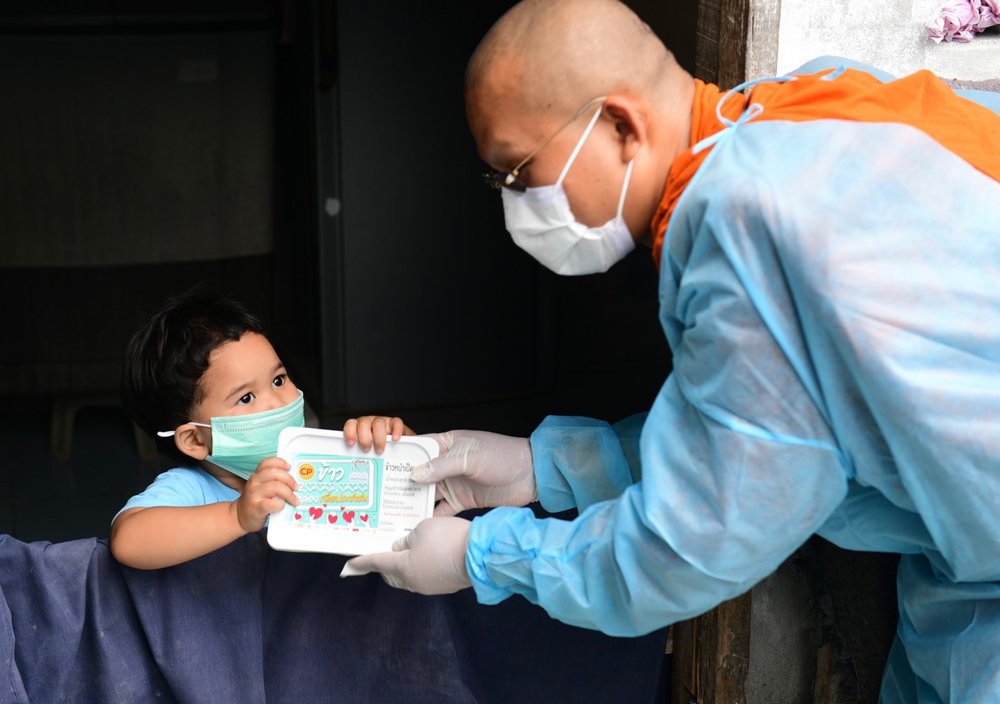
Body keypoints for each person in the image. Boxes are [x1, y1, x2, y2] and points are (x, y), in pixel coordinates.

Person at [341, 0, 1000, 701]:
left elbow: (685, 547)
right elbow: (764, 429)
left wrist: (483, 556)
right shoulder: (807, 102)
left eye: (519, 172)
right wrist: (537, 469)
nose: (516, 203)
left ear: (621, 125)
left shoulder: (742, 235)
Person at [112, 289, 411, 570]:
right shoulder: (192, 490)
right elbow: (128, 542)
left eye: (279, 380)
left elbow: (419, 489)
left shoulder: (332, 461)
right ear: (194, 439)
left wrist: (393, 446)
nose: (277, 403)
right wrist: (236, 516)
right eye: (246, 397)